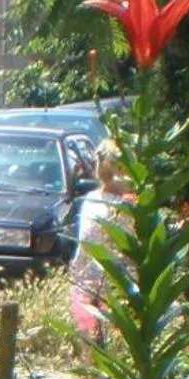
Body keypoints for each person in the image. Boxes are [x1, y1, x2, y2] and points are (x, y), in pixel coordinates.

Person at [68, 141, 133, 343]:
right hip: (117, 290)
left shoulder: (92, 199)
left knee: (90, 348)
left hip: (84, 285)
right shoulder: (126, 206)